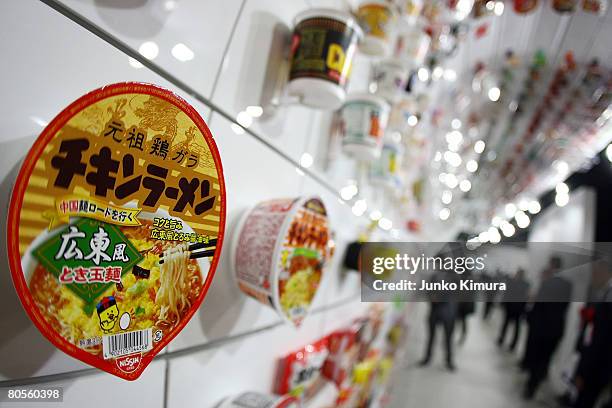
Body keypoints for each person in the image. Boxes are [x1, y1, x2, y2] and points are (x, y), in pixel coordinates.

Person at [523, 256, 573, 400]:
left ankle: (531, 386)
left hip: (541, 329)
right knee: (545, 359)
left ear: (551, 265)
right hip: (555, 330)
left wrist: (529, 319)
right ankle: (538, 379)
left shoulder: (547, 282)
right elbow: (566, 307)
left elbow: (538, 305)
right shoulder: (568, 285)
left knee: (537, 358)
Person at [572, 258, 612, 408]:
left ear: (604, 272)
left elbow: (599, 340)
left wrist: (583, 372)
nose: (592, 277)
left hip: (597, 367)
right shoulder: (604, 294)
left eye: (595, 273)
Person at [419, 269, 458, 371]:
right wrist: (432, 297)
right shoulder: (434, 276)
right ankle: (427, 357)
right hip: (435, 310)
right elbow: (427, 290)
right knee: (431, 336)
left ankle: (449, 360)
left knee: (448, 338)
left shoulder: (454, 277)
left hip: (448, 311)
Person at [497, 268, 530, 351]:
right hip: (513, 307)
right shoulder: (521, 283)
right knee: (507, 324)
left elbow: (526, 297)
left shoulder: (521, 283)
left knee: (512, 326)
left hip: (516, 308)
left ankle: (509, 343)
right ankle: (503, 340)